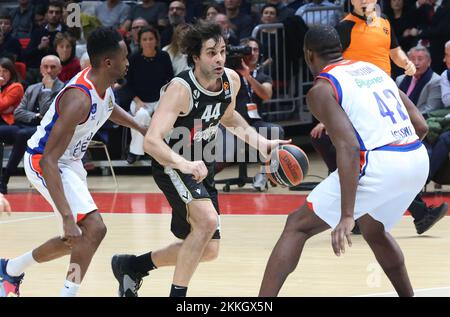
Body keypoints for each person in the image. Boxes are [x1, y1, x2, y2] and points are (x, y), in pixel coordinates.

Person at [111, 21, 288, 297]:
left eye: (222, 51)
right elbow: (151, 141)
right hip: (172, 162)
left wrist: (261, 143)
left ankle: (132, 266)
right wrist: (183, 164)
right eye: (210, 53)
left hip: (201, 165)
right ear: (195, 57)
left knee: (208, 249)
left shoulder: (231, 80)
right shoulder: (180, 89)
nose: (219, 58)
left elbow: (228, 117)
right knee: (206, 222)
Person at [259, 25, 430, 297]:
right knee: (375, 230)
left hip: (380, 163)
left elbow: (348, 146)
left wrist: (347, 215)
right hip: (416, 157)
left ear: (308, 55)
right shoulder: (373, 69)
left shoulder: (321, 89)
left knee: (297, 225)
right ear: (340, 48)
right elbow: (420, 125)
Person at [0, 27, 148, 297]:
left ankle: (10, 270)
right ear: (107, 62)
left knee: (76, 240)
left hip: (68, 162)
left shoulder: (103, 86)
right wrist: (68, 216)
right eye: (124, 57)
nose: (128, 62)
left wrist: (140, 127)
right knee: (93, 229)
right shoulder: (78, 100)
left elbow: (110, 107)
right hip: (45, 161)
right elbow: (48, 161)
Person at [0, 55, 63, 194]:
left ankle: (4, 180)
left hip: (48, 131)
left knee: (22, 135)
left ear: (59, 70)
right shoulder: (32, 88)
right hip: (27, 126)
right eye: (45, 67)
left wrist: (47, 90)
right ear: (40, 69)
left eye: (53, 67)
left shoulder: (63, 90)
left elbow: (48, 115)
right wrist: (35, 116)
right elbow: (18, 113)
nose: (48, 70)